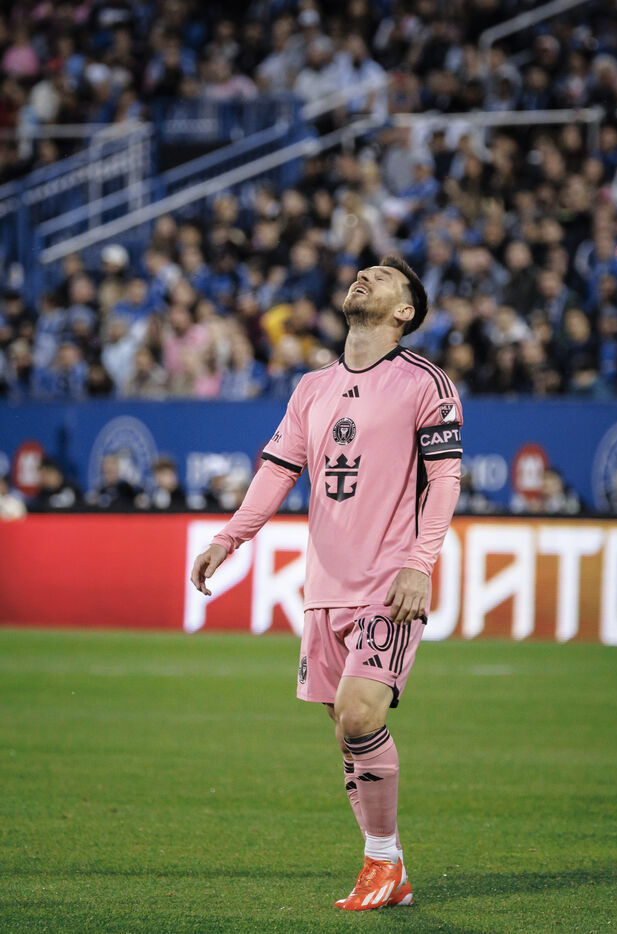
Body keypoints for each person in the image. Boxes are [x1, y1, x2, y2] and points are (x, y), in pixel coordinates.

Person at [190, 255, 462, 911]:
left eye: (384, 277)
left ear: (405, 312)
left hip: (388, 583)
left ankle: (381, 862)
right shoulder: (311, 387)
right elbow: (278, 471)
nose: (364, 277)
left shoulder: (425, 383)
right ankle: (388, 869)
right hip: (323, 589)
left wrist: (419, 563)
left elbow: (445, 479)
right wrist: (229, 538)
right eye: (361, 272)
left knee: (361, 715)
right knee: (346, 731)